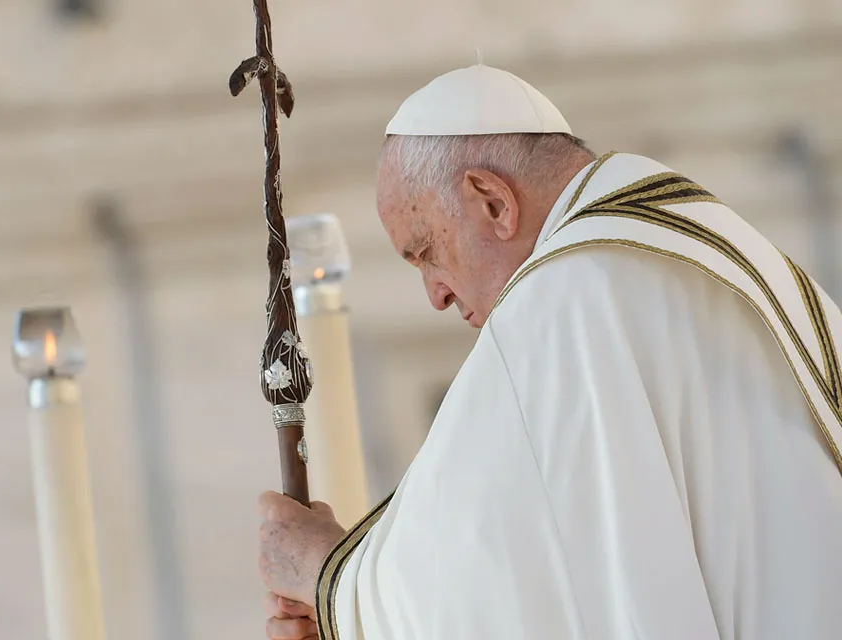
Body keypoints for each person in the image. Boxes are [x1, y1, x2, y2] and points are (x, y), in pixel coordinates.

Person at [256, 64, 842, 640]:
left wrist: (331, 581)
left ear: (491, 202)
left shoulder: (567, 297)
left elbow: (502, 580)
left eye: (426, 250)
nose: (435, 293)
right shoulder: (708, 246)